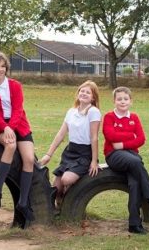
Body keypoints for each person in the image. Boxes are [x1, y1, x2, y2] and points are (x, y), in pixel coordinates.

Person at [102, 86, 149, 234]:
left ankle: (134, 224)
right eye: (119, 99)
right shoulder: (109, 117)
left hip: (130, 154)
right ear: (114, 101)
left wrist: (122, 143)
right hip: (113, 156)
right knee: (136, 162)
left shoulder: (134, 117)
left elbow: (141, 139)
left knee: (134, 184)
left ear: (131, 101)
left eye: (125, 99)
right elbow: (110, 136)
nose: (122, 102)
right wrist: (130, 136)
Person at [0, 51, 35, 221]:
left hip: (18, 123)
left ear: (6, 68)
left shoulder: (15, 85)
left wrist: (11, 128)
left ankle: (22, 202)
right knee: (11, 146)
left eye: (2, 66)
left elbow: (18, 109)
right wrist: (5, 128)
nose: (0, 69)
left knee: (29, 159)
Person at [40, 80, 100, 208]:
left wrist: (94, 161)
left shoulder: (93, 112)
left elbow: (94, 138)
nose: (83, 93)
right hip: (70, 151)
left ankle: (71, 205)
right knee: (56, 187)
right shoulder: (71, 111)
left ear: (93, 97)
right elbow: (60, 135)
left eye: (88, 92)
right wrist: (48, 154)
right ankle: (62, 206)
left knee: (66, 179)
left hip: (85, 153)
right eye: (82, 91)